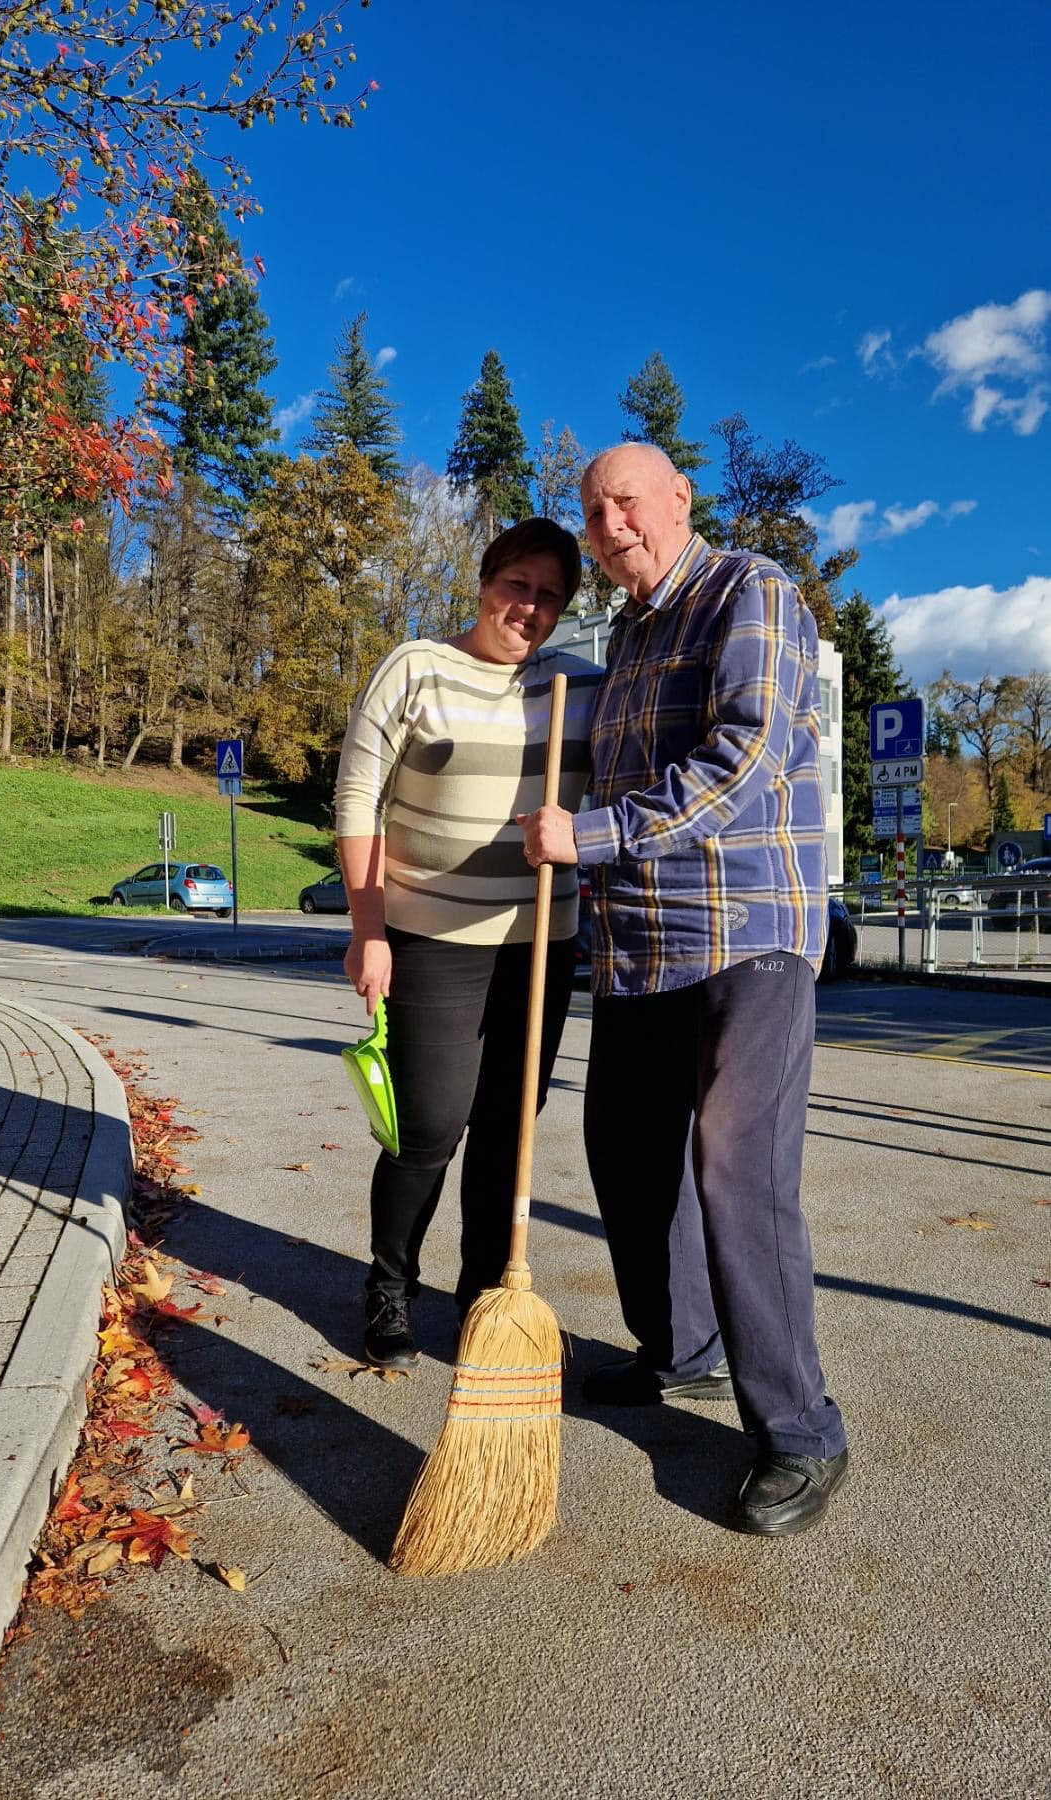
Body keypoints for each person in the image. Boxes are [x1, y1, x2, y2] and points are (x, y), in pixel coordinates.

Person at [520, 443, 849, 1536]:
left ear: (679, 502)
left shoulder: (748, 590)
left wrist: (594, 835)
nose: (611, 522)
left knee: (736, 1172)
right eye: (592, 508)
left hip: (749, 931)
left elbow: (748, 754)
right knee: (623, 1152)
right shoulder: (623, 634)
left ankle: (800, 1432)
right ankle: (684, 1355)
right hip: (640, 947)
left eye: (628, 502)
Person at [335, 518, 603, 1369]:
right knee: (429, 1127)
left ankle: (486, 1296)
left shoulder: (581, 688)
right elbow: (356, 803)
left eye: (550, 594)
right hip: (434, 938)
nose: (528, 605)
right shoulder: (415, 668)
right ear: (485, 580)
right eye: (516, 583)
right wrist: (368, 932)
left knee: (508, 1128)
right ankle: (389, 1289)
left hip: (540, 946)